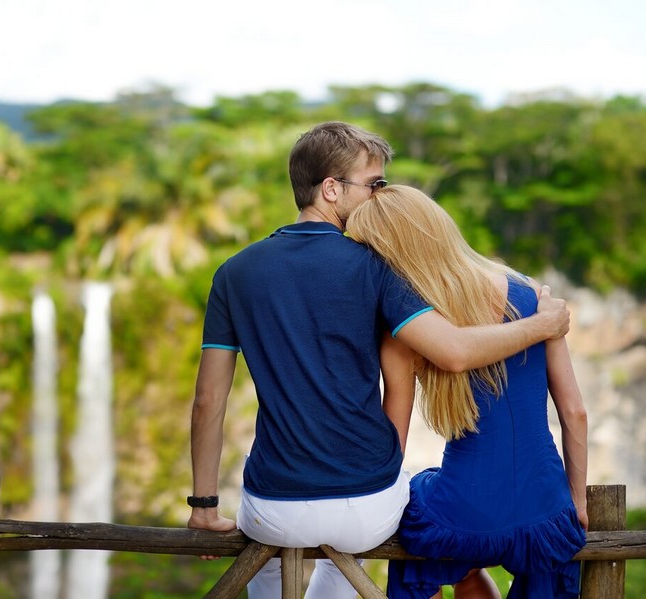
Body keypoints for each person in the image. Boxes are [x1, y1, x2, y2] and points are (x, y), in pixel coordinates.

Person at [187, 121, 571, 599]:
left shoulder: (233, 273)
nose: (380, 195)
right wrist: (541, 325)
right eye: (374, 184)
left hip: (275, 505)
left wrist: (204, 505)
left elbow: (208, 401)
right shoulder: (378, 267)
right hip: (367, 505)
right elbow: (453, 351)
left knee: (263, 556)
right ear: (331, 189)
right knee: (351, 555)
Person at [346, 184, 589, 599]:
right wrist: (577, 503)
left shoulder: (406, 328)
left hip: (464, 512)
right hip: (546, 509)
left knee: (421, 519)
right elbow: (575, 413)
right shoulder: (534, 296)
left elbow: (394, 443)